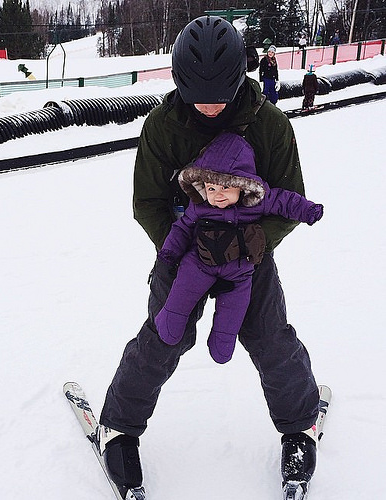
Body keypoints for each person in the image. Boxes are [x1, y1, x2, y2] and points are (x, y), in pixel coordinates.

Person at [99, 15, 321, 498]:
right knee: (163, 337)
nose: (210, 104)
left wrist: (249, 245)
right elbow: (149, 204)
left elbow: (289, 196)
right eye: (199, 94)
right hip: (187, 258)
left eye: (220, 92)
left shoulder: (269, 124)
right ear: (179, 82)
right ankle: (118, 426)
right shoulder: (163, 126)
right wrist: (183, 249)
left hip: (249, 256)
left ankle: (301, 426)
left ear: (240, 76)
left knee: (269, 339)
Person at [155, 132, 323, 364]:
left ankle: (222, 339)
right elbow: (182, 228)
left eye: (225, 188)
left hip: (239, 268)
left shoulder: (256, 201)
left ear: (241, 185)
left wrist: (308, 210)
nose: (217, 195)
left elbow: (285, 200)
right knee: (183, 288)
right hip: (199, 262)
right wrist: (169, 253)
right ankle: (171, 319)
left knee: (235, 306)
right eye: (211, 189)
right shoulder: (199, 206)